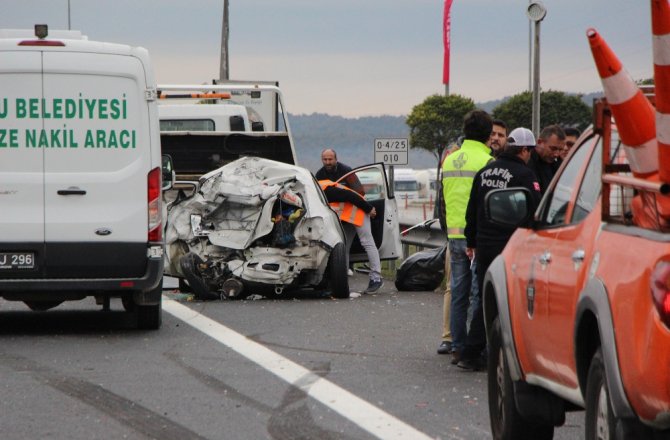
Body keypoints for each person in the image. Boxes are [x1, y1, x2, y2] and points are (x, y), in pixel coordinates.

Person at [457, 127, 542, 371]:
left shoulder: (484, 172)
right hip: (512, 247)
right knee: (515, 301)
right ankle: (511, 353)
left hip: (484, 246)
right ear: (525, 151)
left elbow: (472, 210)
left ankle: (471, 352)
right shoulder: (525, 175)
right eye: (530, 151)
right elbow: (535, 212)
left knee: (486, 299)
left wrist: (471, 241)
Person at [441, 109, 494, 365]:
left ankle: (457, 346)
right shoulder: (487, 162)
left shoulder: (450, 160)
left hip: (454, 233)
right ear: (487, 134)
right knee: (476, 292)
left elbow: (443, 200)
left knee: (458, 291)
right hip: (476, 235)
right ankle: (476, 348)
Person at [318, 179, 384, 294]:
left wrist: (369, 209)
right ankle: (341, 280)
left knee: (367, 242)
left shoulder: (324, 190)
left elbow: (349, 195)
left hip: (360, 210)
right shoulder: (318, 189)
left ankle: (376, 278)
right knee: (343, 246)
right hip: (347, 216)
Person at [528, 124, 565, 194]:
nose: (556, 154)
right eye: (553, 149)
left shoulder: (558, 165)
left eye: (560, 150)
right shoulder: (527, 162)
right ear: (539, 142)